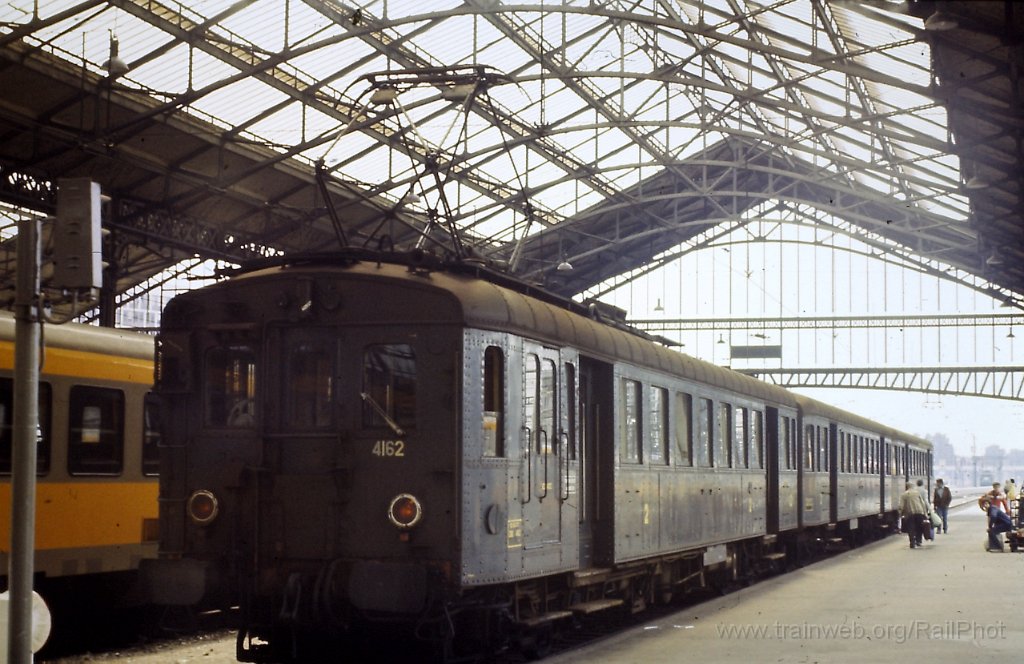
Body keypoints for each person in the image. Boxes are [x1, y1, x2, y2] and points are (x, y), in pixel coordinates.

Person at [899, 481, 929, 548]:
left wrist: (900, 513)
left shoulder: (904, 495)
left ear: (906, 487)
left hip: (910, 513)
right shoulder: (917, 493)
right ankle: (918, 541)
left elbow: (901, 506)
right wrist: (925, 513)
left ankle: (912, 542)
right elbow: (922, 503)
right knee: (919, 527)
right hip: (919, 512)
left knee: (911, 528)